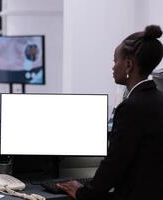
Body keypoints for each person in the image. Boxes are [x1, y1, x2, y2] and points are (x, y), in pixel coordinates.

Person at [56, 25, 163, 200]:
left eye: (115, 61)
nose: (113, 67)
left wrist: (83, 192)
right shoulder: (158, 99)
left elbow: (114, 165)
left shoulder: (131, 107)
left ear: (128, 65)